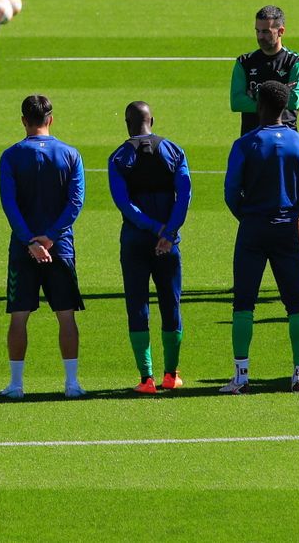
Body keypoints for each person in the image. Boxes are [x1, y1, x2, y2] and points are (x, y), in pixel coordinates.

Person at [222, 81, 299, 394]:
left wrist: (247, 216)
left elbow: (231, 191)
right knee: (296, 304)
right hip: (287, 227)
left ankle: (241, 376)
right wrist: (291, 212)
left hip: (253, 228)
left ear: (260, 106)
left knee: (244, 303)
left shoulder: (245, 144)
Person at [0, 93, 87, 399]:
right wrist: (50, 237)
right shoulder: (70, 154)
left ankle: (16, 385)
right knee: (66, 315)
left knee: (19, 315)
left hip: (23, 248)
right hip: (60, 248)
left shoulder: (10, 156)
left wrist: (31, 241)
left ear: (24, 120)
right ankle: (72, 384)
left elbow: (9, 204)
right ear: (51, 119)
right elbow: (75, 203)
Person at [107, 101, 191, 393]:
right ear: (151, 120)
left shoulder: (118, 157)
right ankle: (171, 374)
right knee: (171, 302)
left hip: (134, 241)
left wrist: (153, 227)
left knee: (137, 304)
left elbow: (124, 204)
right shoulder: (174, 150)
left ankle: (146, 379)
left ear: (127, 123)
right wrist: (168, 231)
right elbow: (185, 195)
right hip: (168, 242)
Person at [230, 5, 299, 135]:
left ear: (281, 31)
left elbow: (294, 101)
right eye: (257, 31)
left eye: (266, 32)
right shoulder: (244, 63)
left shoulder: (295, 63)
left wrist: (255, 94)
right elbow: (237, 102)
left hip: (285, 138)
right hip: (253, 138)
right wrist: (281, 93)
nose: (260, 36)